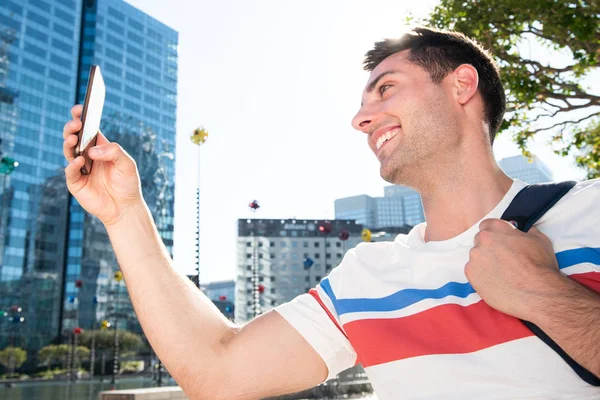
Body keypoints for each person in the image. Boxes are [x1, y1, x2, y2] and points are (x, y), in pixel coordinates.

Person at [62, 27, 600, 399]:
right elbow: (217, 372)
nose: (361, 119)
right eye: (364, 104)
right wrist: (125, 213)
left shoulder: (589, 211)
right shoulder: (365, 279)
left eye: (385, 89)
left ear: (461, 85)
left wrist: (544, 295)